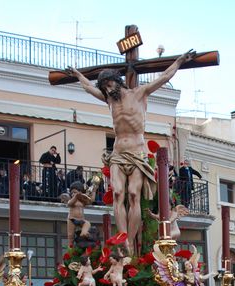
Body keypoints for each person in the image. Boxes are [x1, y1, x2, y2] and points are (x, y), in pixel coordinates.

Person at [67, 50, 195, 253]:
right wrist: (77, 74)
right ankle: (123, 237)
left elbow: (163, 77)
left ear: (117, 81)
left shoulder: (139, 93)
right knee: (118, 193)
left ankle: (131, 243)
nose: (107, 90)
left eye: (109, 85)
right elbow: (87, 87)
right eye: (104, 87)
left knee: (134, 194)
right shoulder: (109, 100)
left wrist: (178, 61)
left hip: (137, 154)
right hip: (118, 153)